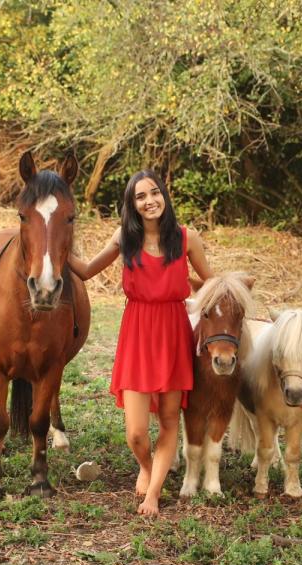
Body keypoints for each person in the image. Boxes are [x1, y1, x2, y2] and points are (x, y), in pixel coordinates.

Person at [68, 169, 213, 516]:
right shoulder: (125, 238)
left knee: (168, 419)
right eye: (141, 196)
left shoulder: (186, 238)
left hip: (173, 333)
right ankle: (146, 466)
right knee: (135, 433)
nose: (150, 201)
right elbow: (86, 271)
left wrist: (232, 298)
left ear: (164, 195)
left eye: (155, 193)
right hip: (136, 334)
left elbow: (212, 284)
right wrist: (52, 247)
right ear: (132, 205)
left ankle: (154, 493)